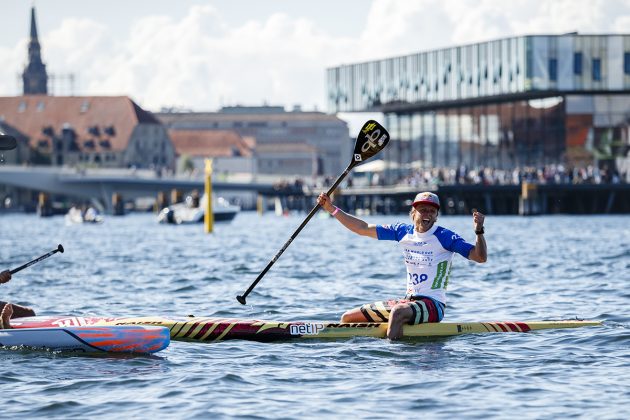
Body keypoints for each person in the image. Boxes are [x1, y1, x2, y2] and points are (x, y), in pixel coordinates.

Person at [317, 191, 487, 340]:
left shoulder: (446, 237)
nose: (427, 214)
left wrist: (479, 231)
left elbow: (480, 257)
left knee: (398, 312)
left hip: (433, 305)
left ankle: (394, 357)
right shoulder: (402, 231)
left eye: (431, 211)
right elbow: (362, 228)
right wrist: (332, 209)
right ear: (413, 213)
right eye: (422, 210)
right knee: (348, 318)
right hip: (408, 302)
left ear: (436, 216)